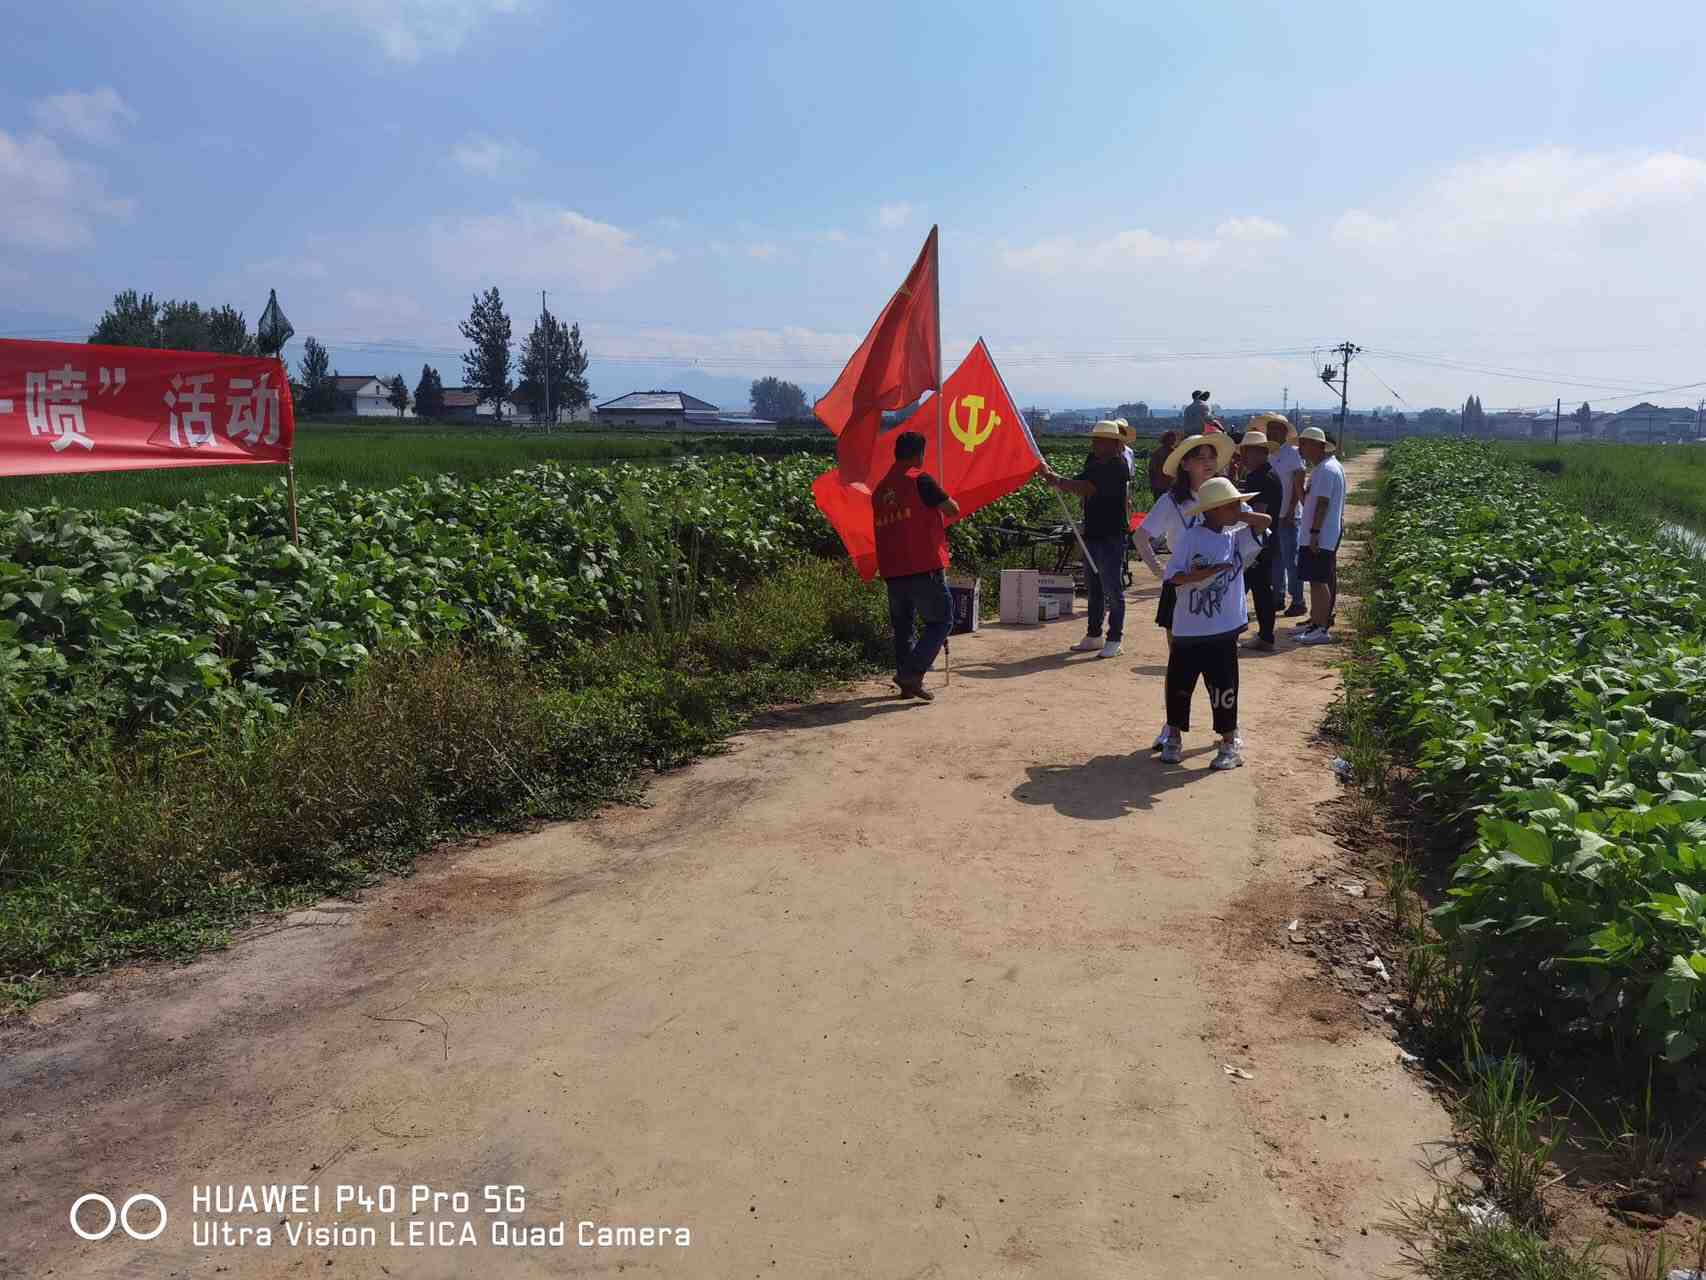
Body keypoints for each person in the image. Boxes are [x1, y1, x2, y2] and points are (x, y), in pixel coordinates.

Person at [1156, 476, 1265, 771]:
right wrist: (1207, 573)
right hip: (1189, 630)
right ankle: (1173, 738)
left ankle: (1229, 744)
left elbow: (1265, 521)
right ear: (1214, 509)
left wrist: (1239, 514)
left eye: (1238, 505)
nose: (1239, 509)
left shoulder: (1236, 536)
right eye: (1231, 505)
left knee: (1224, 689)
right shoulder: (1191, 538)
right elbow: (1173, 577)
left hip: (1223, 630)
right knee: (1179, 687)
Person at [873, 430, 961, 699]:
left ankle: (907, 683)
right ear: (918, 454)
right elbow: (952, 509)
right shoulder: (920, 480)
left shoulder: (880, 490)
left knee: (904, 628)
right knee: (941, 620)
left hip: (892, 569)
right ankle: (912, 673)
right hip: (922, 565)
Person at [1041, 420, 1132, 658]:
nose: (1095, 444)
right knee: (1094, 587)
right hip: (1093, 532)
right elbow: (1078, 481)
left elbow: (1086, 487)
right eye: (1095, 439)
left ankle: (1115, 638)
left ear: (1114, 444)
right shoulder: (1094, 462)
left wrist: (1057, 480)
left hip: (1112, 534)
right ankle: (1094, 635)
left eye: (1100, 440)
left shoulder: (1118, 466)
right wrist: (1055, 477)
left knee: (1112, 588)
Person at [1294, 426, 1345, 645]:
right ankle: (1316, 623)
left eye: (1305, 443)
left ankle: (1321, 627)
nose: (1301, 448)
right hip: (1318, 534)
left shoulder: (1326, 470)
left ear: (1318, 446)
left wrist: (1315, 532)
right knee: (1316, 580)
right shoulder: (1325, 468)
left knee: (1319, 580)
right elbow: (1310, 502)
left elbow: (1322, 504)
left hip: (1320, 535)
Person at [1235, 430, 1282, 649]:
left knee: (1242, 589)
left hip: (1257, 543)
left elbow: (1258, 513)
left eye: (1247, 452)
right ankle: (1265, 635)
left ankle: (1233, 634)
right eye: (1243, 451)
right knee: (1261, 589)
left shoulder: (1259, 477)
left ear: (1261, 452)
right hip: (1267, 541)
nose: (1244, 457)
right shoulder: (1269, 474)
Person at [1265, 417, 1307, 617]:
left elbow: (1299, 481)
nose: (1271, 433)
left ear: (1284, 432)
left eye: (1276, 429)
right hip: (1273, 516)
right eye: (1269, 429)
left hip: (1288, 516)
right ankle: (1278, 597)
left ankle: (1298, 601)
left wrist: (1291, 509)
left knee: (1291, 561)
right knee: (1276, 560)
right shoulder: (1269, 454)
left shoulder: (1292, 453)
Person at [1148, 430, 1179, 499]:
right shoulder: (1158, 453)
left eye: (1173, 438)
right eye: (1171, 438)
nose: (1173, 440)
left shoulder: (1175, 452)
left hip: (1170, 485)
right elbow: (1152, 470)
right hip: (1160, 486)